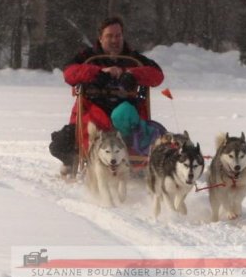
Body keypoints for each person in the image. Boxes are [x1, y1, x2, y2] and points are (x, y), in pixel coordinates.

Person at [49, 16, 164, 175]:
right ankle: (73, 162)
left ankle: (130, 167)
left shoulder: (133, 58)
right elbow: (69, 73)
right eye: (109, 36)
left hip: (125, 117)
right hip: (92, 112)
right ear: (100, 38)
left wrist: (131, 74)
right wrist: (97, 73)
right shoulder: (88, 57)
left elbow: (157, 75)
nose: (115, 40)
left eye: (118, 36)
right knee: (60, 144)